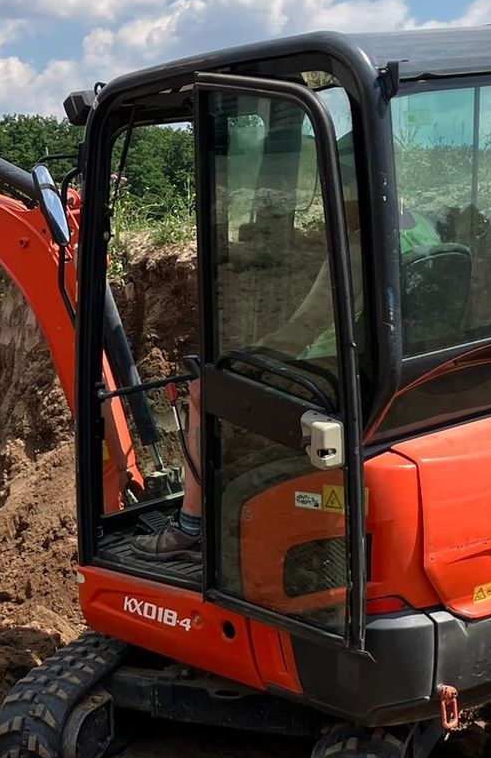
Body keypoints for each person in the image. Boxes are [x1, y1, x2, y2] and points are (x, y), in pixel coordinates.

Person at [136, 205, 440, 560]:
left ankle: (193, 528)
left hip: (328, 376)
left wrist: (237, 361)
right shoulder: (425, 229)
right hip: (387, 374)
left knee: (206, 391)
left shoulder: (356, 253)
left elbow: (301, 331)